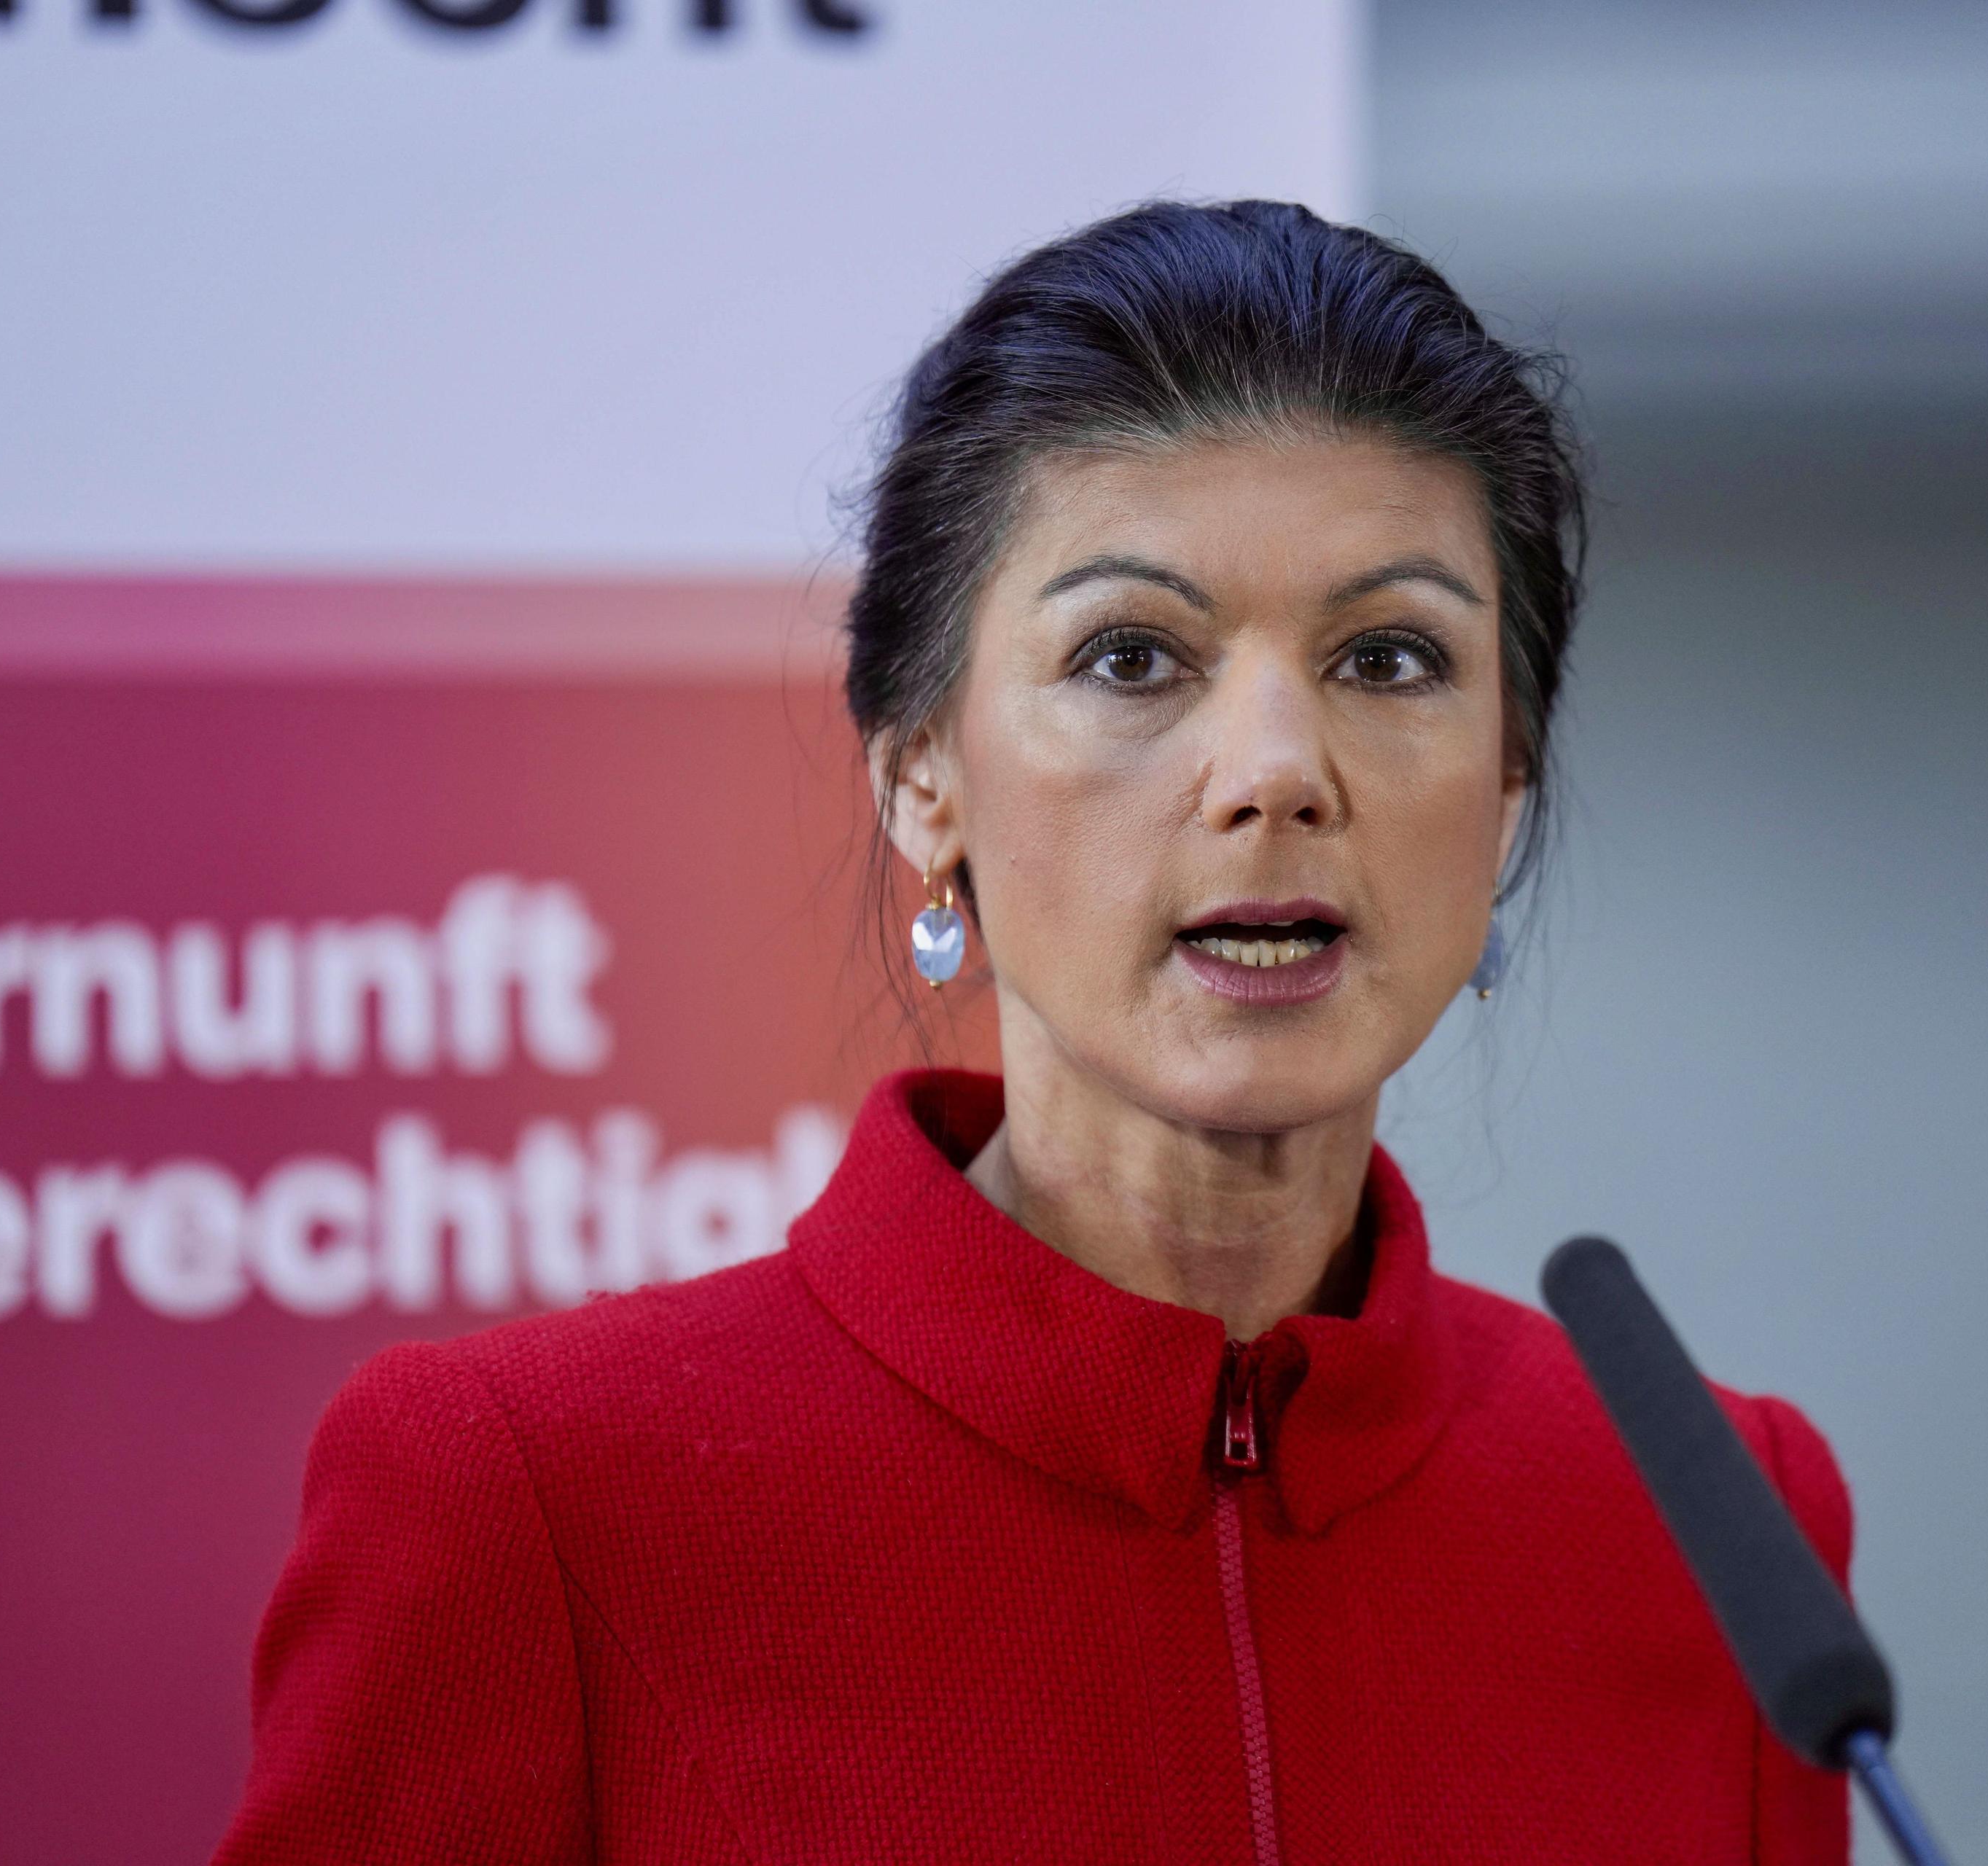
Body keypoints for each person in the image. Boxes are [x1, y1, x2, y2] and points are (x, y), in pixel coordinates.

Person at [214, 200, 1853, 1865]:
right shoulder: (528, 1496)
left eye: (1391, 655)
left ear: (1507, 787)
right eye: (1133, 654)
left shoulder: (1725, 1526)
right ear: (923, 777)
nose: (1277, 767)